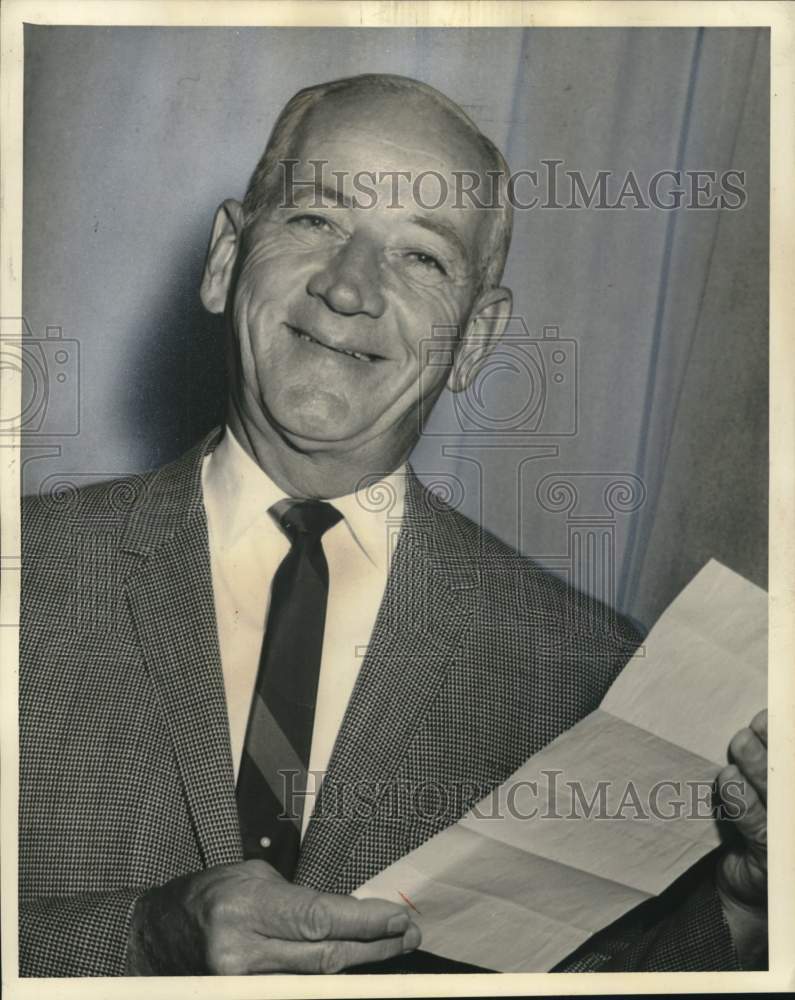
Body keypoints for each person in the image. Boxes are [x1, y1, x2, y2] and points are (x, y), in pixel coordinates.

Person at [19, 73, 767, 977]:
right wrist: (137, 942)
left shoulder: (587, 674)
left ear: (474, 340)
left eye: (421, 257)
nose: (349, 288)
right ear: (225, 259)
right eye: (315, 219)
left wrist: (740, 910)